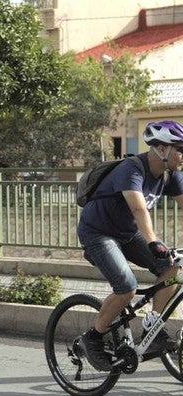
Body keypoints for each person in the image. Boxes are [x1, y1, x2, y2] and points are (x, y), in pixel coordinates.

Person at [78, 120, 183, 371]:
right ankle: (92, 337)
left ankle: (153, 325)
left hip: (126, 234)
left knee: (172, 269)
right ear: (160, 149)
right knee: (127, 287)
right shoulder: (131, 169)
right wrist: (153, 241)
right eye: (180, 148)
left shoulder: (170, 175)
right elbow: (138, 208)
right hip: (98, 233)